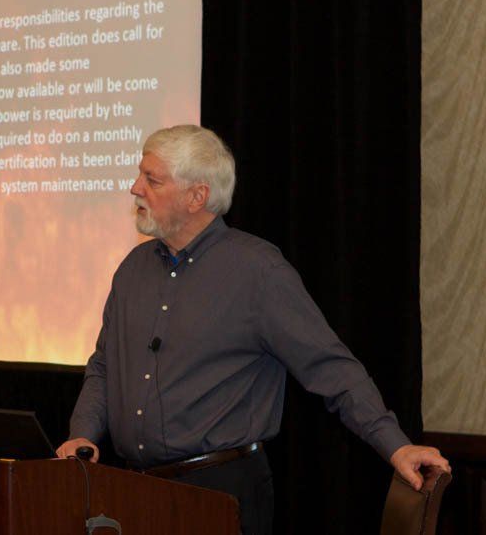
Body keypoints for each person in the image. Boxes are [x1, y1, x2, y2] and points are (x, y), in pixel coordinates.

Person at [56, 125, 449, 535]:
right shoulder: (132, 270)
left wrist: (396, 445)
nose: (135, 188)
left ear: (197, 196)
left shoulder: (258, 272)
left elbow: (331, 368)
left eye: (151, 179)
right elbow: (103, 366)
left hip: (219, 493)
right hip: (132, 490)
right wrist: (82, 436)